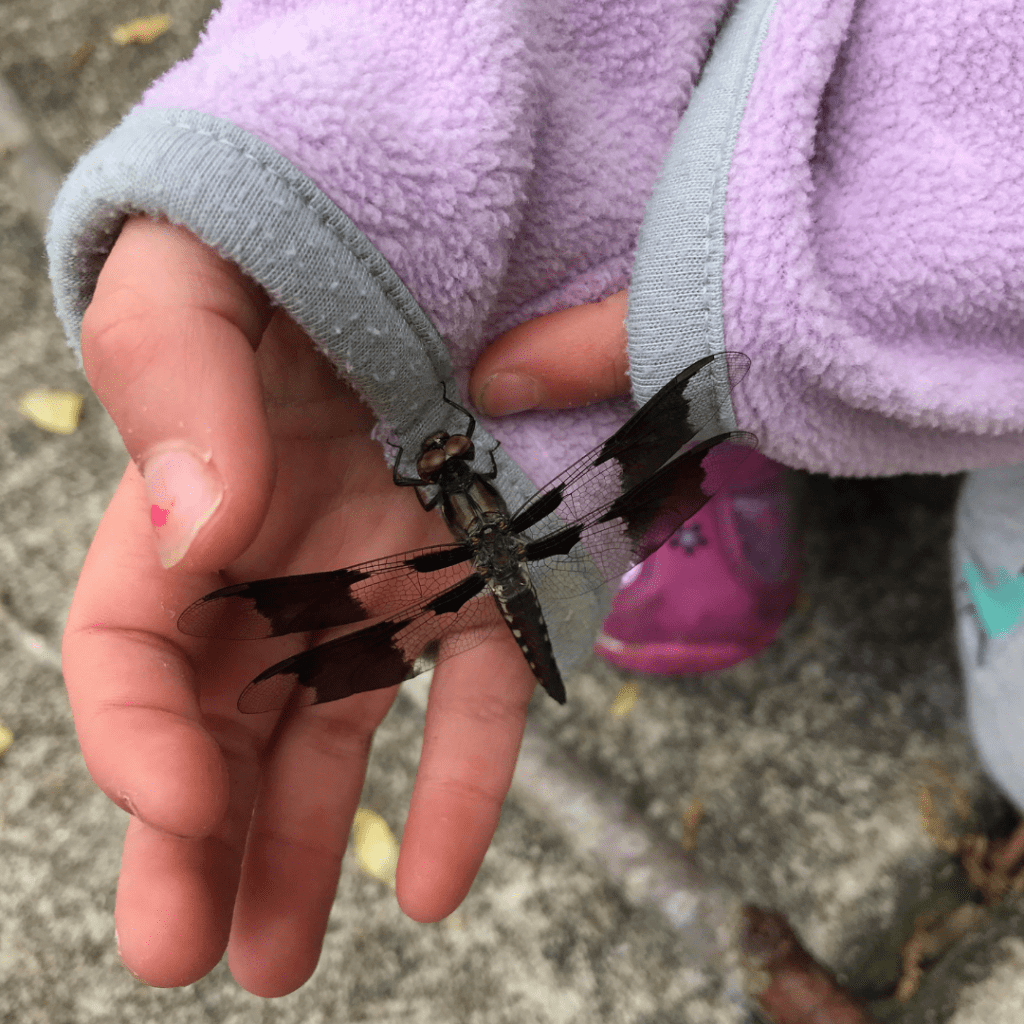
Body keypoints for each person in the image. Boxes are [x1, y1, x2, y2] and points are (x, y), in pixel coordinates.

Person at [47, 0, 1024, 998]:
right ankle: (689, 387)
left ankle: (700, 397)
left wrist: (772, 293)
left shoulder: (441, 479)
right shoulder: (443, 479)